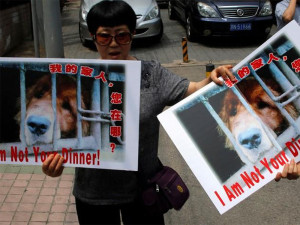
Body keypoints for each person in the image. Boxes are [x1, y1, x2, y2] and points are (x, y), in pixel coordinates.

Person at [42, 1, 300, 224]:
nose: (113, 44)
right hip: (93, 193)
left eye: (121, 35)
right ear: (92, 36)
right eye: (104, 36)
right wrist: (52, 162)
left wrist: (212, 77)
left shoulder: (151, 74)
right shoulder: (75, 82)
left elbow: (193, 89)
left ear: (132, 34)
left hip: (143, 193)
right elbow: (61, 134)